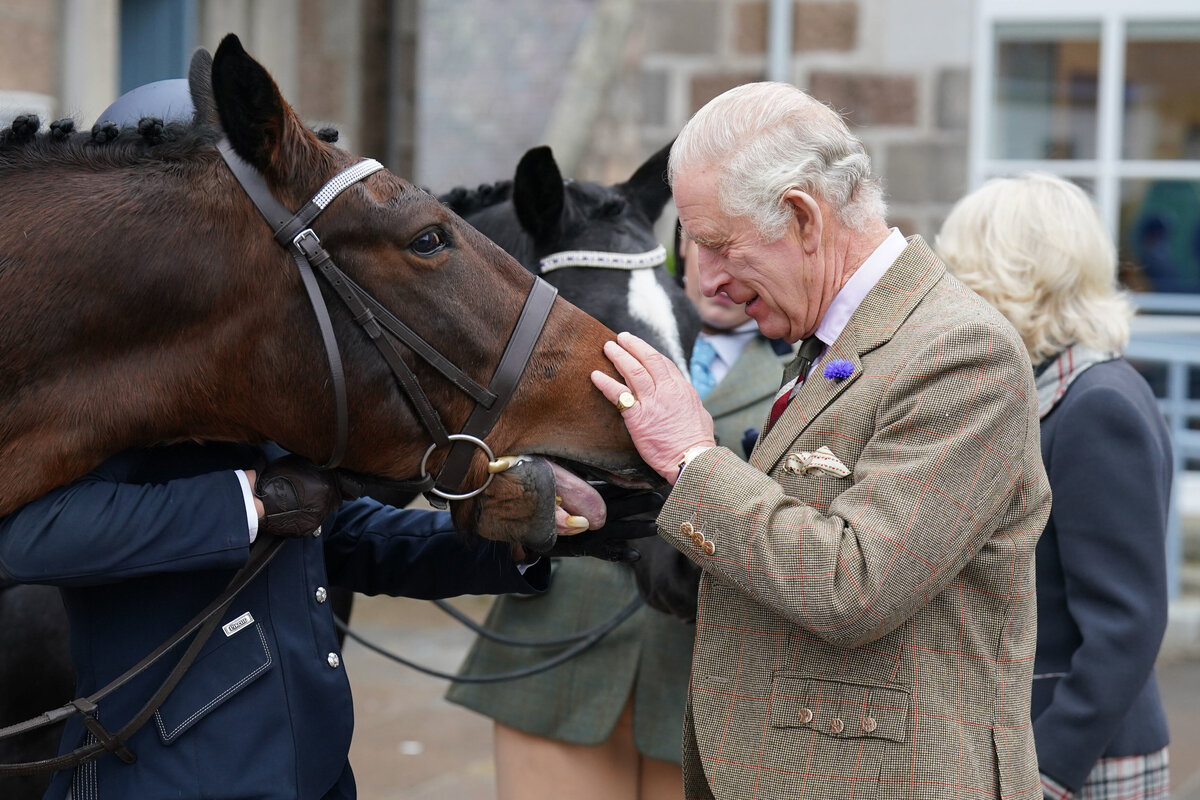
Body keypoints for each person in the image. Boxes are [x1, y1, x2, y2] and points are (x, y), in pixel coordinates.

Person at [590, 81, 1052, 799]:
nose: (704, 280)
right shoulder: (836, 339)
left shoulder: (962, 350)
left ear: (803, 216)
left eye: (717, 245)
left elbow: (855, 586)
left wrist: (692, 456)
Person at [444, 223, 788, 800]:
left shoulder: (809, 368)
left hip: (698, 688)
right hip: (557, 658)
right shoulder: (595, 328)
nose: (719, 274)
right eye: (706, 247)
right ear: (679, 246)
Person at [937, 173, 1172, 800]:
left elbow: (1126, 625)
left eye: (961, 268)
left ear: (1010, 275)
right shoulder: (1056, 390)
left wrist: (1046, 775)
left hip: (1077, 760)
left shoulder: (1096, 405)